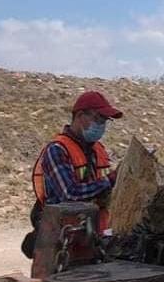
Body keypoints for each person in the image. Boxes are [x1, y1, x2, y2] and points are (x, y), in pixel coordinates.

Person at [21, 90, 123, 259]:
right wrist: (110, 180)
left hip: (95, 235)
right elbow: (70, 194)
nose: (102, 126)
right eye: (99, 119)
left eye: (105, 121)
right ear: (80, 116)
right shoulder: (58, 150)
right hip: (64, 239)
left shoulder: (98, 150)